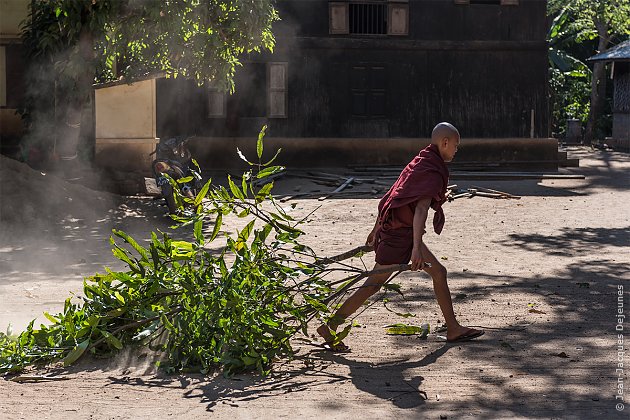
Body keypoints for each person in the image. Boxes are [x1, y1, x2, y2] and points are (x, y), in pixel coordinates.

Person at [317, 122, 484, 351]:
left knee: (438, 272)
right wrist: (415, 248)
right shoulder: (431, 169)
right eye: (456, 145)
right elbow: (421, 210)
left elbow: (391, 195)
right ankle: (330, 326)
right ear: (445, 142)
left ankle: (453, 328)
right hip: (400, 235)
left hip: (399, 231)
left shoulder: (422, 160)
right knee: (373, 285)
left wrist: (377, 228)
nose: (456, 150)